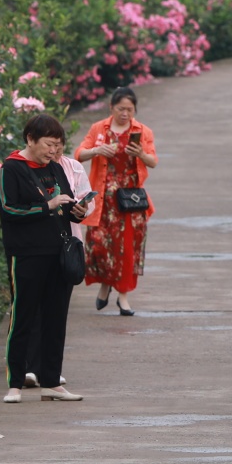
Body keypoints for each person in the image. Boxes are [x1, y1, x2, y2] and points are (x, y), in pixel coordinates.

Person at [0, 113, 88, 402]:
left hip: (58, 253)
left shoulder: (56, 169)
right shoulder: (10, 169)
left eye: (58, 145)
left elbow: (67, 201)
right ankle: (15, 384)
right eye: (49, 144)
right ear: (30, 139)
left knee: (55, 318)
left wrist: (78, 211)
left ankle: (52, 382)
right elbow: (9, 210)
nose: (53, 151)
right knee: (23, 317)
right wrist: (48, 205)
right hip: (26, 254)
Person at [77, 86, 157, 316]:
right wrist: (97, 150)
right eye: (121, 109)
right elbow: (79, 153)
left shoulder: (142, 131)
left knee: (127, 248)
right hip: (103, 199)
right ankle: (104, 286)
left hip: (130, 200)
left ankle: (123, 297)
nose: (125, 114)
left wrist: (140, 153)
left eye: (130, 110)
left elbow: (153, 161)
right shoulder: (98, 129)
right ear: (111, 107)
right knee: (100, 245)